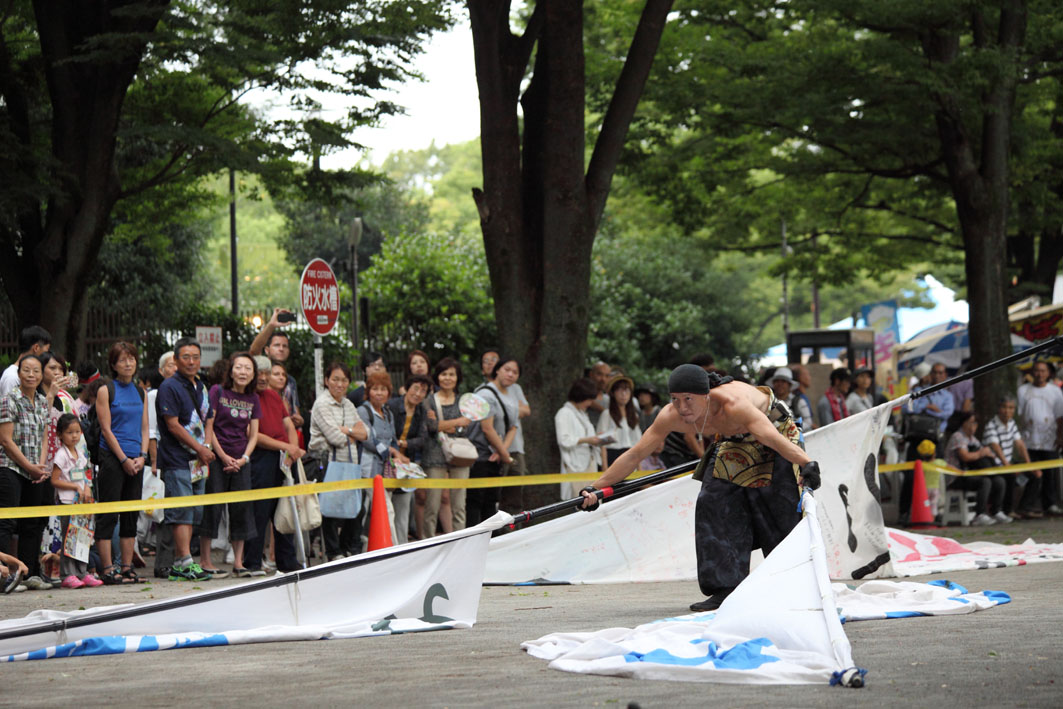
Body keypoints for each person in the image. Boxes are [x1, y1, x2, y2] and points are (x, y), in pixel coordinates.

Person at [579, 364, 821, 612]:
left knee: (780, 511)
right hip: (732, 442)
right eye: (675, 399)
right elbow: (635, 454)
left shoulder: (733, 404)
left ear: (706, 396)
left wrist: (805, 463)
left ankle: (793, 583)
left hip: (776, 433)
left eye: (689, 400)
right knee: (713, 502)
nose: (682, 408)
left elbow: (771, 437)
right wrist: (595, 488)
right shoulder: (669, 415)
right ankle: (726, 589)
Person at [156, 337, 215, 582]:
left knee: (194, 511)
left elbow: (209, 418)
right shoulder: (169, 387)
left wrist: (207, 447)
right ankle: (183, 562)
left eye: (195, 357)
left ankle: (186, 559)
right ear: (176, 360)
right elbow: (173, 425)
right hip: (177, 458)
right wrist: (200, 449)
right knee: (180, 511)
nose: (191, 362)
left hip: (199, 460)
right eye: (186, 357)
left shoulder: (201, 385)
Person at [198, 352, 260, 577]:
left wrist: (244, 459)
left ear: (253, 374)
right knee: (212, 508)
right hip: (216, 459)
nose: (243, 372)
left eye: (248, 368)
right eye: (239, 367)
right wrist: (222, 456)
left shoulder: (253, 398)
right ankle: (206, 560)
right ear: (231, 370)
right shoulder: (217, 391)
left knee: (241, 510)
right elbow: (210, 426)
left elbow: (254, 435)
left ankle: (239, 563)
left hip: (241, 461)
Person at [94, 341, 149, 585]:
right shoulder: (106, 389)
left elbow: (145, 427)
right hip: (113, 458)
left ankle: (126, 567)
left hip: (137, 459)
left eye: (132, 359)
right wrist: (124, 459)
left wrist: (142, 456)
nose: (128, 363)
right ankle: (107, 568)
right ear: (114, 364)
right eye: (123, 360)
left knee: (130, 515)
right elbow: (106, 429)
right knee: (108, 514)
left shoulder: (141, 391)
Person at [0, 355, 56, 590]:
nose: (31, 375)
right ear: (19, 373)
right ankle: (5, 575)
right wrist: (29, 466)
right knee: (7, 522)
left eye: (36, 371)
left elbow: (44, 436)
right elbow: (5, 439)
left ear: (41, 375)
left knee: (33, 522)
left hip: (35, 470)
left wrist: (40, 467)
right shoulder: (9, 399)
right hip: (11, 467)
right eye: (26, 371)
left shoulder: (43, 402)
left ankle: (31, 573)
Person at [246, 356, 303, 574]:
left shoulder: (274, 396)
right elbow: (253, 435)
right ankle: (253, 561)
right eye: (258, 373)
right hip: (262, 457)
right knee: (260, 511)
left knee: (286, 510)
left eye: (266, 373)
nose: (262, 378)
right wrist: (286, 446)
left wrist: (292, 450)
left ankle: (287, 561)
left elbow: (288, 425)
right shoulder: (248, 398)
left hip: (285, 457)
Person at [309, 361, 369, 560]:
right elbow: (335, 438)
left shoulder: (348, 404)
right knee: (330, 507)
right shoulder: (322, 403)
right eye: (335, 379)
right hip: (326, 461)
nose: (340, 384)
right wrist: (351, 434)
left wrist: (347, 430)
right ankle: (333, 551)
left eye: (344, 380)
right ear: (327, 381)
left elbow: (366, 433)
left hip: (348, 462)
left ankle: (345, 547)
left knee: (356, 506)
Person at [49, 414, 104, 588]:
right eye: (69, 432)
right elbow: (55, 480)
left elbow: (85, 476)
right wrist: (74, 487)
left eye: (77, 432)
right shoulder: (61, 455)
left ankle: (82, 572)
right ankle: (68, 574)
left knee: (83, 536)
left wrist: (87, 487)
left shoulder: (80, 453)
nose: (74, 436)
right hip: (67, 501)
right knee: (69, 537)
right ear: (59, 435)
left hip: (83, 502)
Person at [423, 357, 471, 536]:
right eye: (444, 374)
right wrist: (457, 422)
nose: (448, 378)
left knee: (459, 505)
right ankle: (427, 541)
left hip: (460, 455)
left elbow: (466, 428)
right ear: (437, 377)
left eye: (452, 374)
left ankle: (460, 540)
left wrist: (442, 424)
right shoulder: (429, 400)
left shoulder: (465, 401)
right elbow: (431, 427)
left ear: (458, 377)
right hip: (434, 456)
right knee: (432, 505)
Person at [467, 357, 518, 525]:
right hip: (481, 455)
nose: (510, 374)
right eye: (507, 369)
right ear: (497, 370)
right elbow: (486, 428)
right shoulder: (485, 394)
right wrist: (505, 455)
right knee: (476, 501)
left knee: (491, 502)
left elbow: (513, 427)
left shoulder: (511, 395)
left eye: (515, 372)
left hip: (496, 455)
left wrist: (500, 451)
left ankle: (492, 541)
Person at [1016, 361, 1063, 517]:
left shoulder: (1055, 391)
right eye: (1036, 371)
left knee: (1050, 474)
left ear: (1048, 373)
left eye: (1043, 371)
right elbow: (1019, 414)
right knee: (1033, 474)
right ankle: (1027, 506)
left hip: (1050, 439)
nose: (1039, 374)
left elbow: (1059, 416)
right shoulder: (1023, 390)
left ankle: (1050, 504)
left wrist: (1060, 436)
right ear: (1032, 372)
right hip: (1029, 439)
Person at [386, 374, 431, 538]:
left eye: (423, 391)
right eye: (415, 388)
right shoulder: (391, 406)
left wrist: (404, 444)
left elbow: (422, 439)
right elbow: (385, 433)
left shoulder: (422, 411)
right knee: (385, 509)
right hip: (387, 464)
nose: (418, 394)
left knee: (403, 510)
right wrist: (395, 448)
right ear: (406, 389)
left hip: (407, 466)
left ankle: (402, 546)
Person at [944, 411, 1007, 526]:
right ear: (963, 423)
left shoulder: (973, 439)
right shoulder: (958, 436)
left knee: (999, 481)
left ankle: (997, 511)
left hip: (970, 475)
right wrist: (981, 453)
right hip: (956, 476)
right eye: (970, 423)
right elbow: (965, 456)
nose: (973, 426)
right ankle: (980, 515)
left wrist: (988, 454)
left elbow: (983, 453)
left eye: (975, 423)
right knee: (985, 482)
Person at [983, 395, 1037, 523]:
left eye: (1011, 408)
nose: (1007, 411)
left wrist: (1029, 465)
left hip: (1008, 462)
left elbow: (1020, 444)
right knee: (1010, 476)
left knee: (1036, 475)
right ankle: (1007, 510)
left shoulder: (1012, 424)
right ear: (999, 409)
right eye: (1004, 407)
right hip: (995, 464)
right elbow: (996, 448)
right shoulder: (991, 425)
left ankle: (1024, 508)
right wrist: (1008, 466)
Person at [250, 308, 303, 429]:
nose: (281, 349)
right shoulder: (258, 371)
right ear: (267, 350)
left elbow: (296, 411)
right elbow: (253, 351)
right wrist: (271, 326)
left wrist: (299, 420)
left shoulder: (291, 381)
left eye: (285, 346)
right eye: (277, 345)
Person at [555, 378, 602, 500]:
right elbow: (564, 440)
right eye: (589, 399)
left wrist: (597, 438)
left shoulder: (582, 414)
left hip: (589, 461)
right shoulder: (564, 413)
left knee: (592, 499)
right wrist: (587, 440)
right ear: (580, 397)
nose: (590, 403)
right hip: (575, 465)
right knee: (579, 500)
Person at [596, 375, 642, 467]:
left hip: (630, 456)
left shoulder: (634, 416)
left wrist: (640, 467)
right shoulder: (607, 414)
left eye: (627, 390)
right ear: (613, 393)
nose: (623, 394)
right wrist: (605, 468)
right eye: (619, 390)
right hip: (613, 456)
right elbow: (603, 443)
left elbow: (637, 444)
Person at [0, 326, 51, 400]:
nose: (47, 355)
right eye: (46, 350)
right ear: (36, 348)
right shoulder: (12, 377)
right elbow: (9, 407)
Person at [586, 361, 611, 426]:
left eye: (607, 376)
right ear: (591, 375)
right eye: (599, 374)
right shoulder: (581, 397)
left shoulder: (609, 400)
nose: (603, 379)